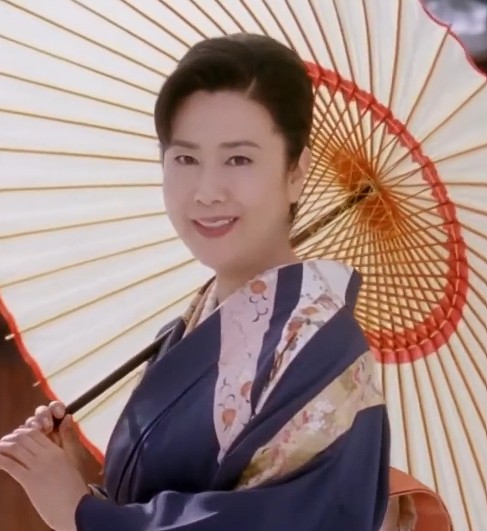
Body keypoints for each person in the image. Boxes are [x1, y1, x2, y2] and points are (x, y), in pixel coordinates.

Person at [0, 33, 450, 531]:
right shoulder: (186, 328)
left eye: (239, 159)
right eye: (185, 158)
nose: (207, 191)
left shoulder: (319, 347)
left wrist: (81, 514)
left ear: (296, 171)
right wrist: (74, 484)